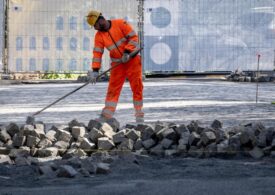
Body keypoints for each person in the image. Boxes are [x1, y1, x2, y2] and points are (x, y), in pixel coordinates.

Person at [86, 10, 144, 123]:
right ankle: (106, 116)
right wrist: (95, 70)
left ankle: (139, 114)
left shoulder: (121, 23)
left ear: (100, 20)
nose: (95, 28)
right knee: (113, 89)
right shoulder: (99, 36)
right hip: (117, 64)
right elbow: (97, 53)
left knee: (137, 87)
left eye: (95, 25)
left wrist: (127, 52)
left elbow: (134, 38)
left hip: (132, 60)